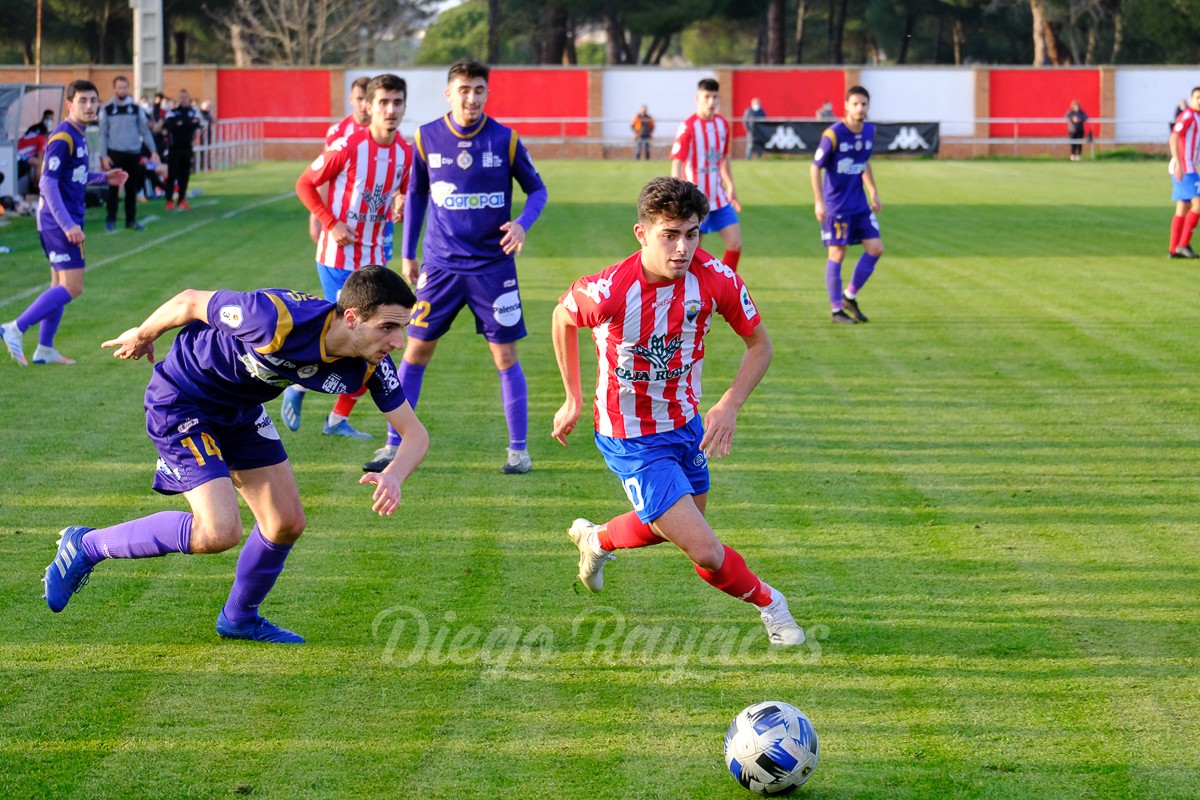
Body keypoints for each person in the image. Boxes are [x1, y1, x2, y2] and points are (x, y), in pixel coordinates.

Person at [41, 266, 429, 643]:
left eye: (402, 329)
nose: (398, 341)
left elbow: (415, 434)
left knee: (285, 523)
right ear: (351, 318)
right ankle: (86, 545)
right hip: (181, 401)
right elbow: (190, 301)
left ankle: (239, 618)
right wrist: (144, 334)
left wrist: (394, 474)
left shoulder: (370, 365)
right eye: (388, 327)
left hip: (240, 412)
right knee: (218, 532)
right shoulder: (275, 318)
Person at [550, 176, 805, 647]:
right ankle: (773, 605)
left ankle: (598, 540)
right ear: (642, 233)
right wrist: (573, 397)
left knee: (674, 529)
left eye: (692, 234)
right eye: (669, 234)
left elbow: (760, 346)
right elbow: (562, 316)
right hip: (630, 436)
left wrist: (729, 403)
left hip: (687, 427)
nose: (682, 248)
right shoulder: (609, 290)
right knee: (706, 550)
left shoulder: (717, 279)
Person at [363, 60, 549, 475]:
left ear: (487, 93)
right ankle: (394, 442)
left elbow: (537, 189)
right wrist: (408, 254)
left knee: (504, 356)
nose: (471, 97)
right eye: (463, 90)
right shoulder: (426, 137)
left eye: (479, 90)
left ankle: (518, 450)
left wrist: (521, 224)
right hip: (441, 267)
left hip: (492, 268)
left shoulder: (506, 139)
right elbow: (415, 194)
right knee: (414, 349)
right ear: (449, 93)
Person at [285, 73, 413, 440]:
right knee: (356, 340)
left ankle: (330, 412)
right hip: (337, 259)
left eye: (398, 103)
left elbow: (402, 192)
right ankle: (301, 387)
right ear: (368, 106)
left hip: (373, 261)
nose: (391, 110)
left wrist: (401, 203)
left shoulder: (404, 152)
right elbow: (304, 183)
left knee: (371, 348)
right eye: (384, 102)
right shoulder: (348, 145)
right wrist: (330, 222)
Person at [2, 80, 127, 367]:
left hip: (55, 221)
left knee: (58, 284)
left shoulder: (78, 135)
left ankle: (44, 349)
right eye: (82, 100)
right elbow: (47, 184)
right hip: (59, 222)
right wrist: (68, 224)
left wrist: (103, 178)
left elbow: (74, 176)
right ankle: (15, 328)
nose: (89, 106)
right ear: (69, 105)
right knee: (73, 287)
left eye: (94, 100)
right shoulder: (63, 137)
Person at [810, 85, 884, 324]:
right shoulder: (833, 134)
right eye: (855, 104)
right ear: (846, 105)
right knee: (837, 253)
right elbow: (815, 167)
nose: (860, 108)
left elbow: (864, 163)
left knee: (875, 248)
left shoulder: (869, 131)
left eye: (863, 104)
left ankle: (849, 295)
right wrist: (819, 201)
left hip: (860, 204)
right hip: (837, 206)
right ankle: (836, 310)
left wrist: (873, 191)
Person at [671, 78, 742, 273]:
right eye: (707, 97)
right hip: (695, 200)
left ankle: (727, 282)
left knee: (735, 243)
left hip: (719, 198)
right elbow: (677, 161)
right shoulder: (688, 126)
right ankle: (689, 290)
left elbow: (724, 158)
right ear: (698, 98)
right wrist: (679, 195)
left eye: (715, 97)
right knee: (691, 252)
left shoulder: (723, 125)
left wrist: (731, 186)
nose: (711, 102)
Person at [309, 75, 373, 245]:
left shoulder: (387, 134)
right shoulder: (338, 133)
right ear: (351, 99)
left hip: (377, 219)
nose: (363, 104)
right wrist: (316, 215)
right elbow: (324, 176)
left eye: (367, 99)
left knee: (379, 269)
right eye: (359, 98)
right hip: (344, 218)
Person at [99, 75, 159, 232]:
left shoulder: (136, 109)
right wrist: (104, 155)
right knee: (113, 189)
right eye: (119, 87)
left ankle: (130, 220)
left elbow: (144, 131)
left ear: (128, 88)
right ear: (114, 89)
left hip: (133, 153)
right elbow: (103, 134)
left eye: (125, 87)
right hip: (114, 154)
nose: (122, 90)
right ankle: (110, 219)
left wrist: (153, 150)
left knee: (132, 188)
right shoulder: (107, 109)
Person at [1168, 87, 1200, 259]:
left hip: (1190, 167)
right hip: (1184, 168)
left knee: (1183, 207)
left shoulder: (1197, 117)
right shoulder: (1188, 116)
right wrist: (1179, 164)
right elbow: (1173, 138)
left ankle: (1173, 249)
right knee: (1198, 205)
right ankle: (1183, 244)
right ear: (1191, 99)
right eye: (1197, 97)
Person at [162, 88, 204, 211]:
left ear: (188, 98)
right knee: (172, 174)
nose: (183, 99)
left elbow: (196, 124)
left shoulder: (193, 112)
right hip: (174, 148)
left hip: (187, 147)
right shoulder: (172, 112)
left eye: (185, 97)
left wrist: (182, 123)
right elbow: (171, 125)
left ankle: (181, 199)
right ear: (178, 99)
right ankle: (169, 200)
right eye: (181, 97)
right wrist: (187, 123)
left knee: (184, 174)